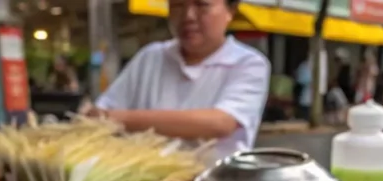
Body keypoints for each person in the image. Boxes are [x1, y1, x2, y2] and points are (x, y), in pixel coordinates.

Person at [87, 0, 270, 159]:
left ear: (231, 10)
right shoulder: (151, 57)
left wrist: (120, 119)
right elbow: (102, 112)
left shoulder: (248, 63)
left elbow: (221, 122)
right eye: (177, 5)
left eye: (201, 4)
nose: (188, 16)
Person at [295, 50, 326, 121]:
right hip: (305, 97)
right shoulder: (304, 66)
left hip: (314, 100)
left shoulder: (319, 67)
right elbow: (300, 80)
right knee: (304, 117)